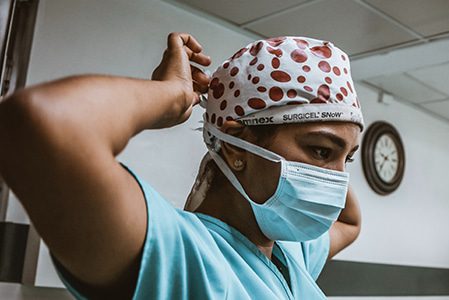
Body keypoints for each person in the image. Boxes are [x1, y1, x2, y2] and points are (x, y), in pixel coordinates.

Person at [0, 33, 362, 299]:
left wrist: (332, 144)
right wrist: (172, 96)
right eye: (319, 151)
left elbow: (349, 222)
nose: (337, 181)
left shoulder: (289, 253)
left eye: (347, 158)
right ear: (241, 147)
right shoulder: (180, 256)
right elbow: (41, 125)